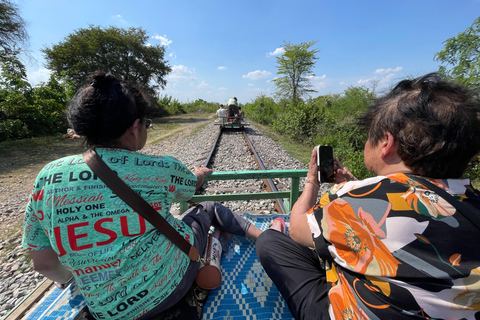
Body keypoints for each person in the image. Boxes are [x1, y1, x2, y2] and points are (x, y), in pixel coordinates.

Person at [22, 72, 262, 320]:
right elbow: (191, 185)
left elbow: (42, 263)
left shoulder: (47, 176)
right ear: (134, 128)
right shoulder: (160, 168)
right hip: (170, 289)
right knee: (207, 209)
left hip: (104, 310)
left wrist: (71, 278)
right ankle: (262, 236)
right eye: (146, 124)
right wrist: (199, 174)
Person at [256, 73, 480, 320]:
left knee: (269, 241)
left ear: (386, 142)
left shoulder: (351, 199)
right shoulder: (473, 200)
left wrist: (313, 179)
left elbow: (296, 228)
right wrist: (355, 186)